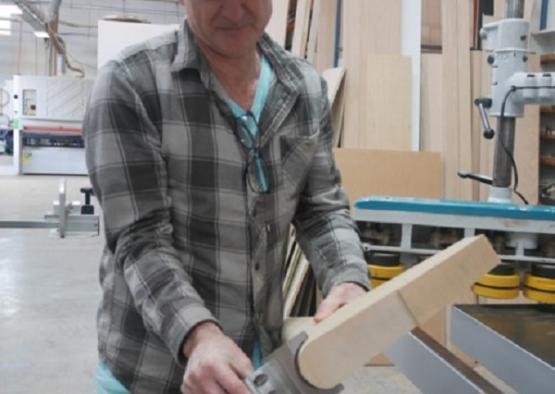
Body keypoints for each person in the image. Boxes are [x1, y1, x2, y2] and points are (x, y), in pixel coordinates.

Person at [84, 0, 369, 393]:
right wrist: (199, 335)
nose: (234, 11)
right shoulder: (130, 85)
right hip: (152, 370)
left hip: (258, 361)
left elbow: (322, 210)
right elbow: (140, 238)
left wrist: (348, 278)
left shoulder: (303, 87)